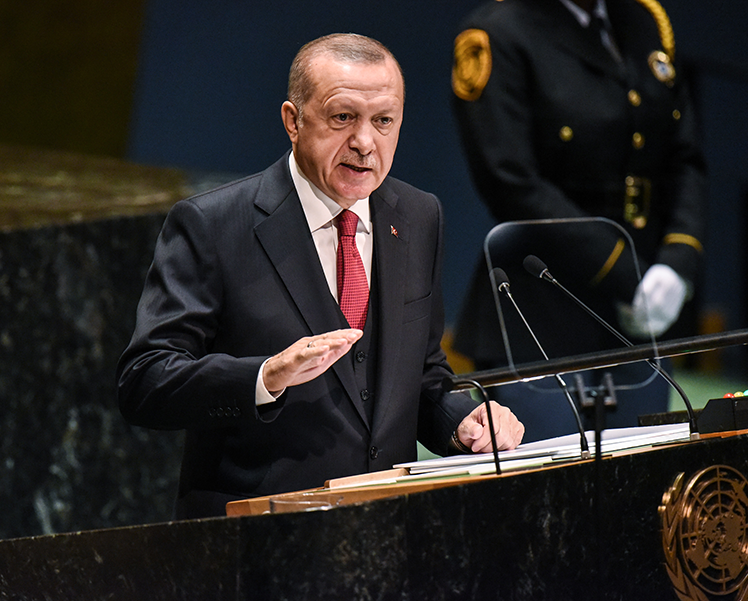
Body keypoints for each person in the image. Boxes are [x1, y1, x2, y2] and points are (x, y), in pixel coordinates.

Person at [117, 33, 524, 519]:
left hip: (387, 534)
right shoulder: (214, 226)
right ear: (293, 121)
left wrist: (463, 422)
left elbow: (422, 374)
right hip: (254, 539)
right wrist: (265, 377)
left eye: (384, 121)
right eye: (343, 118)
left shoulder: (418, 216)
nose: (365, 142)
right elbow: (145, 382)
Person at [450, 0, 706, 442]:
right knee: (541, 497)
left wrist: (678, 261)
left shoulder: (644, 20)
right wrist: (625, 271)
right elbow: (509, 179)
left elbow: (684, 158)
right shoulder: (499, 32)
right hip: (538, 307)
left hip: (636, 316)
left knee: (644, 490)